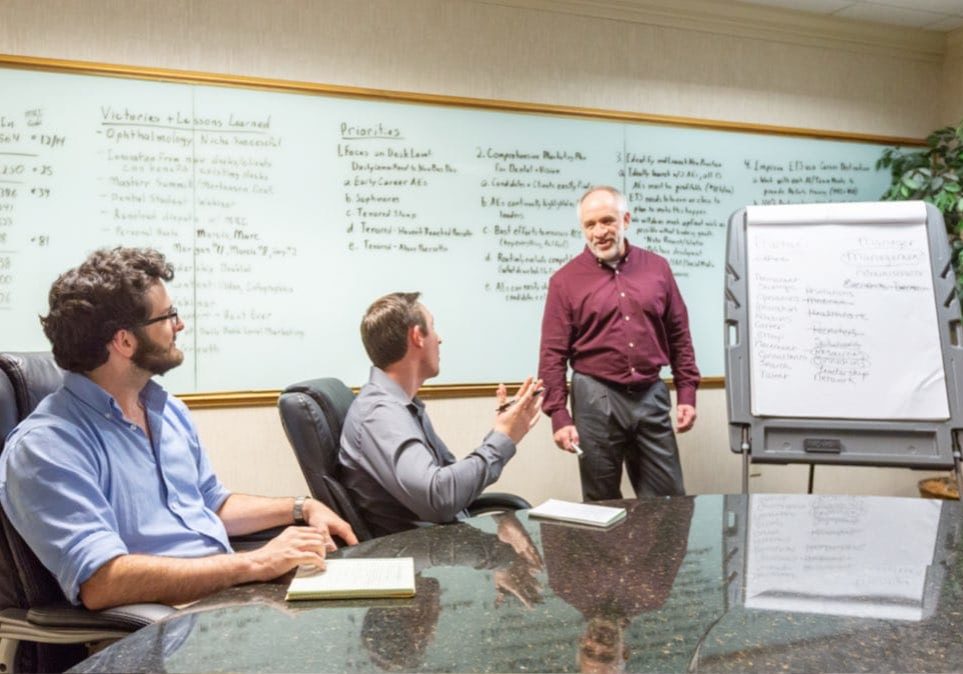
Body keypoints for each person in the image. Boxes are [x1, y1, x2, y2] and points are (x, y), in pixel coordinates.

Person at [0, 248, 357, 611]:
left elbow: (211, 504)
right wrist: (256, 563)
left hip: (229, 601)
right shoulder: (46, 447)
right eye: (168, 316)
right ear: (125, 341)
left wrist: (300, 507)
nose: (180, 325)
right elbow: (102, 581)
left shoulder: (166, 410)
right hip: (161, 629)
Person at [538, 185, 700, 500]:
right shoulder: (564, 281)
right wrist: (558, 414)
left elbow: (679, 332)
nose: (599, 232)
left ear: (625, 219)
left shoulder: (657, 268)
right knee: (601, 503)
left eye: (607, 221)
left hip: (650, 394)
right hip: (594, 398)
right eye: (590, 224)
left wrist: (687, 391)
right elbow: (552, 354)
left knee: (669, 502)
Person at [340, 291, 542, 537]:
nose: (440, 339)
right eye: (433, 327)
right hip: (424, 554)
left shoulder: (402, 405)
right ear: (417, 336)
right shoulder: (380, 415)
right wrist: (503, 439)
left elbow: (450, 480)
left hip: (442, 543)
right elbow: (439, 497)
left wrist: (503, 429)